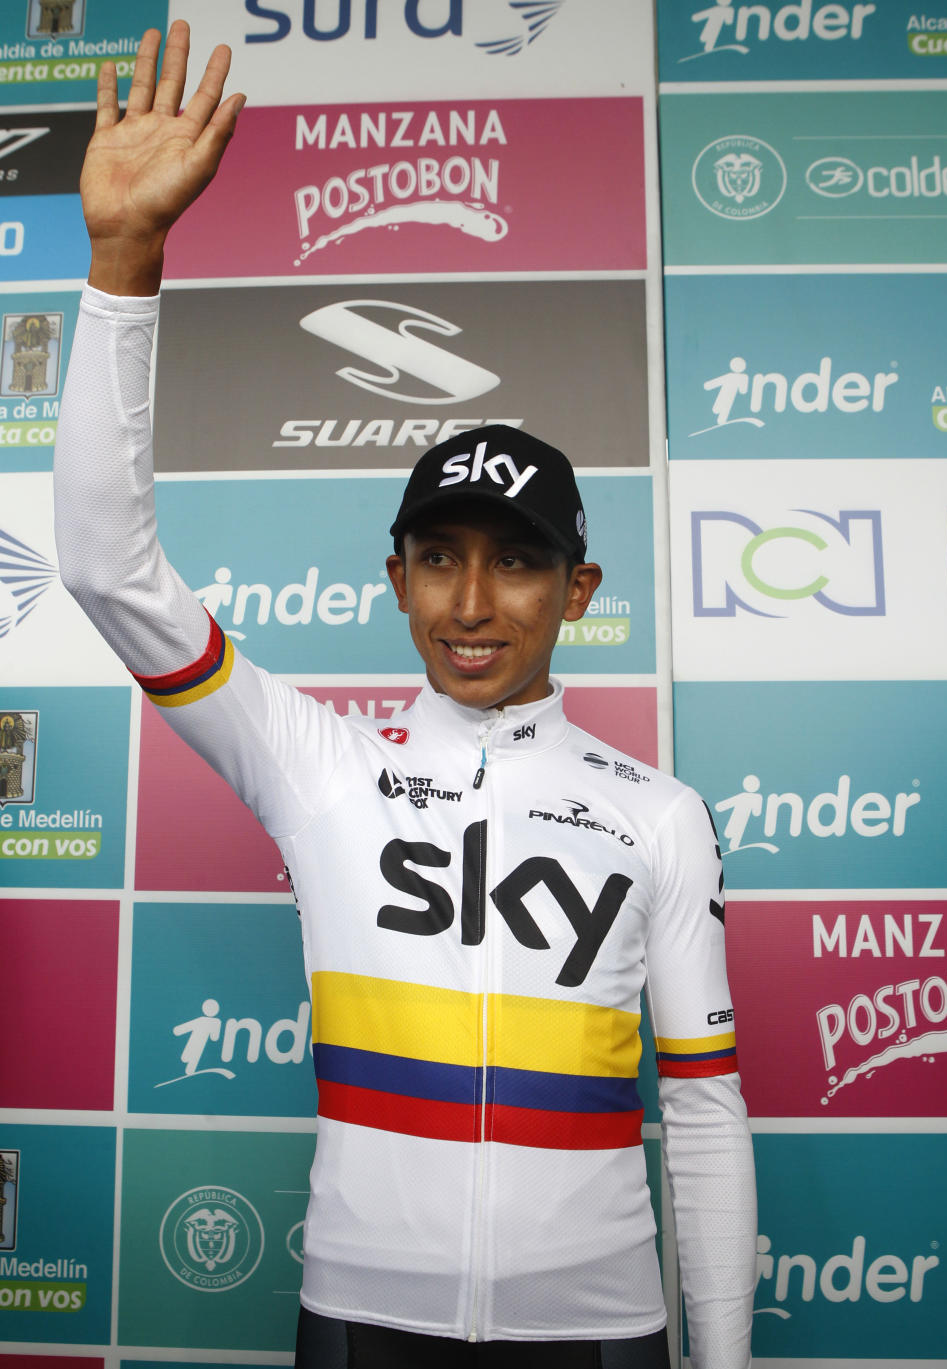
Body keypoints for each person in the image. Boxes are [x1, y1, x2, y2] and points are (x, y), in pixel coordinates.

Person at [53, 23, 757, 1369]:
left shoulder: (660, 815)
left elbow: (709, 1115)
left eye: (519, 562)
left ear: (581, 585)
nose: (475, 602)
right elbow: (105, 567)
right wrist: (124, 263)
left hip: (601, 1333)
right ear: (397, 576)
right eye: (441, 557)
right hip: (362, 1328)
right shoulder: (317, 761)